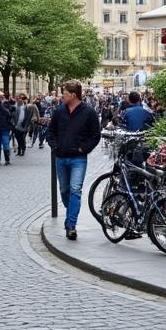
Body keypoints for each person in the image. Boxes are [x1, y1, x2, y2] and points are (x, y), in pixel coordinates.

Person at [49, 80, 101, 240]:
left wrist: (83, 149)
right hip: (61, 157)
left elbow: (95, 135)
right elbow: (51, 131)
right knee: (64, 190)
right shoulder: (59, 111)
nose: (61, 96)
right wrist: (55, 146)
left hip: (78, 158)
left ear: (73, 95)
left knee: (75, 190)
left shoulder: (89, 112)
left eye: (63, 93)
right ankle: (71, 211)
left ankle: (71, 225)